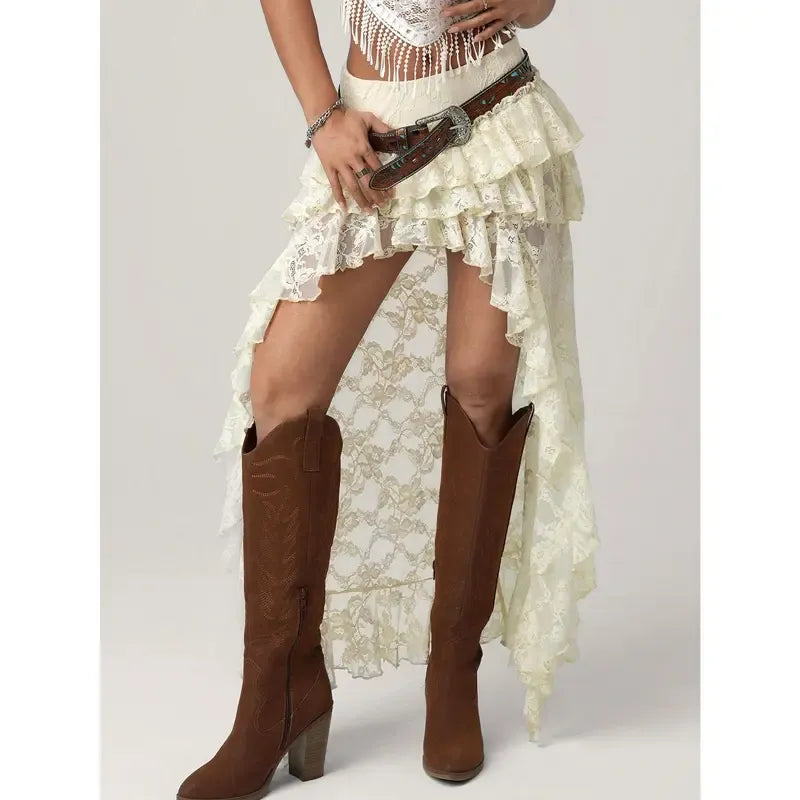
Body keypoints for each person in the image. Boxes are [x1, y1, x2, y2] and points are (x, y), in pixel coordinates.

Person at [178, 1, 598, 797]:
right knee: (281, 388)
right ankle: (280, 694)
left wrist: (533, 3)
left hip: (494, 119)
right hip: (375, 141)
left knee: (483, 382)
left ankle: (453, 673)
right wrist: (322, 115)